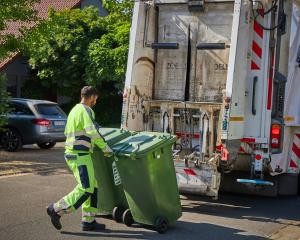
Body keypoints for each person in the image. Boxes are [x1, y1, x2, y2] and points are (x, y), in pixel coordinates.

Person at [46, 86, 113, 231]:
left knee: (92, 186)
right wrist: (105, 147)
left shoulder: (74, 110)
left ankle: (88, 221)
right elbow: (92, 131)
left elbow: (78, 132)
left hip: (75, 154)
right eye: (96, 98)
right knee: (86, 188)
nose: (96, 101)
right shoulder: (86, 110)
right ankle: (56, 209)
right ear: (92, 97)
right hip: (79, 155)